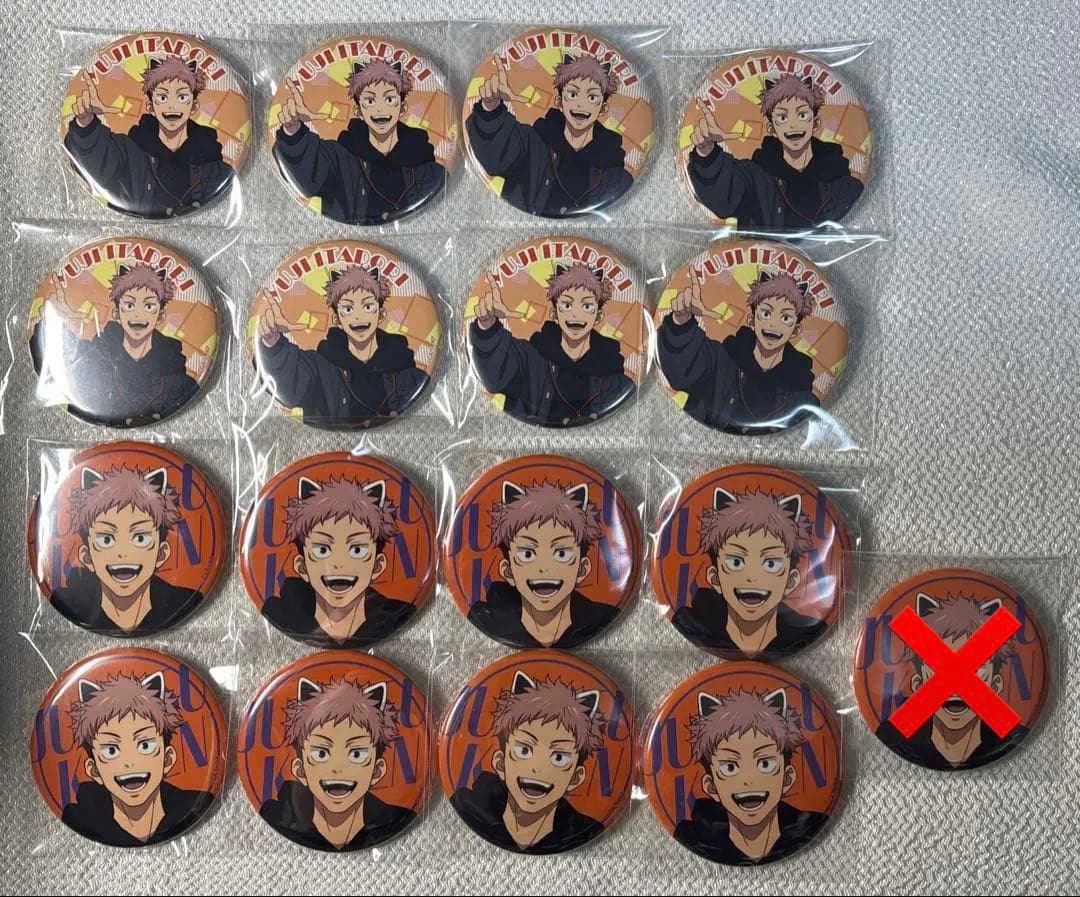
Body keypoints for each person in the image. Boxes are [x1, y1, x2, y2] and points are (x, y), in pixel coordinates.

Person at [272, 61, 445, 225]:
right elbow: (307, 178)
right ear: (359, 110)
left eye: (389, 99)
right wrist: (293, 130)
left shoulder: (425, 163)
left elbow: (434, 190)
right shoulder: (340, 155)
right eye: (370, 101)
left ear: (402, 108)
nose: (380, 109)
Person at [466, 52, 633, 217]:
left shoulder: (615, 173)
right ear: (560, 101)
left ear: (603, 108)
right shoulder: (532, 143)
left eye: (592, 97)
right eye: (573, 94)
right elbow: (494, 159)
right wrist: (491, 108)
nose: (581, 104)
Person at [63, 57, 234, 217]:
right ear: (150, 106)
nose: (172, 105)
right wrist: (86, 123)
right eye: (162, 97)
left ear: (194, 106)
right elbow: (93, 160)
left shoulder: (212, 163)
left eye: (182, 97)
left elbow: (222, 194)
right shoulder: (131, 151)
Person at [686, 74, 864, 228]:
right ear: (771, 128)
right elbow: (721, 199)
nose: (793, 125)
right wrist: (707, 153)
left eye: (802, 115)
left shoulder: (840, 179)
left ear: (815, 123)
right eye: (783, 117)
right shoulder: (755, 175)